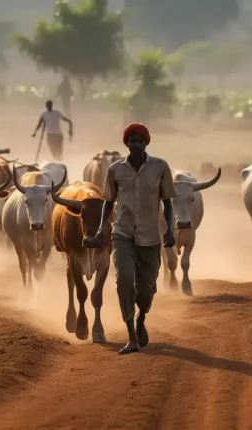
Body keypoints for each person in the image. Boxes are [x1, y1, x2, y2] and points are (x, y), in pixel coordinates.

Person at [83, 123, 176, 355]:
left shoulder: (160, 167)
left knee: (146, 290)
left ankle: (141, 318)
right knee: (124, 281)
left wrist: (170, 231)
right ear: (126, 143)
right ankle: (131, 335)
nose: (135, 145)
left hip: (151, 237)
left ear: (146, 144)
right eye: (131, 141)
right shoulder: (115, 170)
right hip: (122, 234)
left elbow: (168, 203)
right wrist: (101, 228)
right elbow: (108, 202)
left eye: (140, 141)